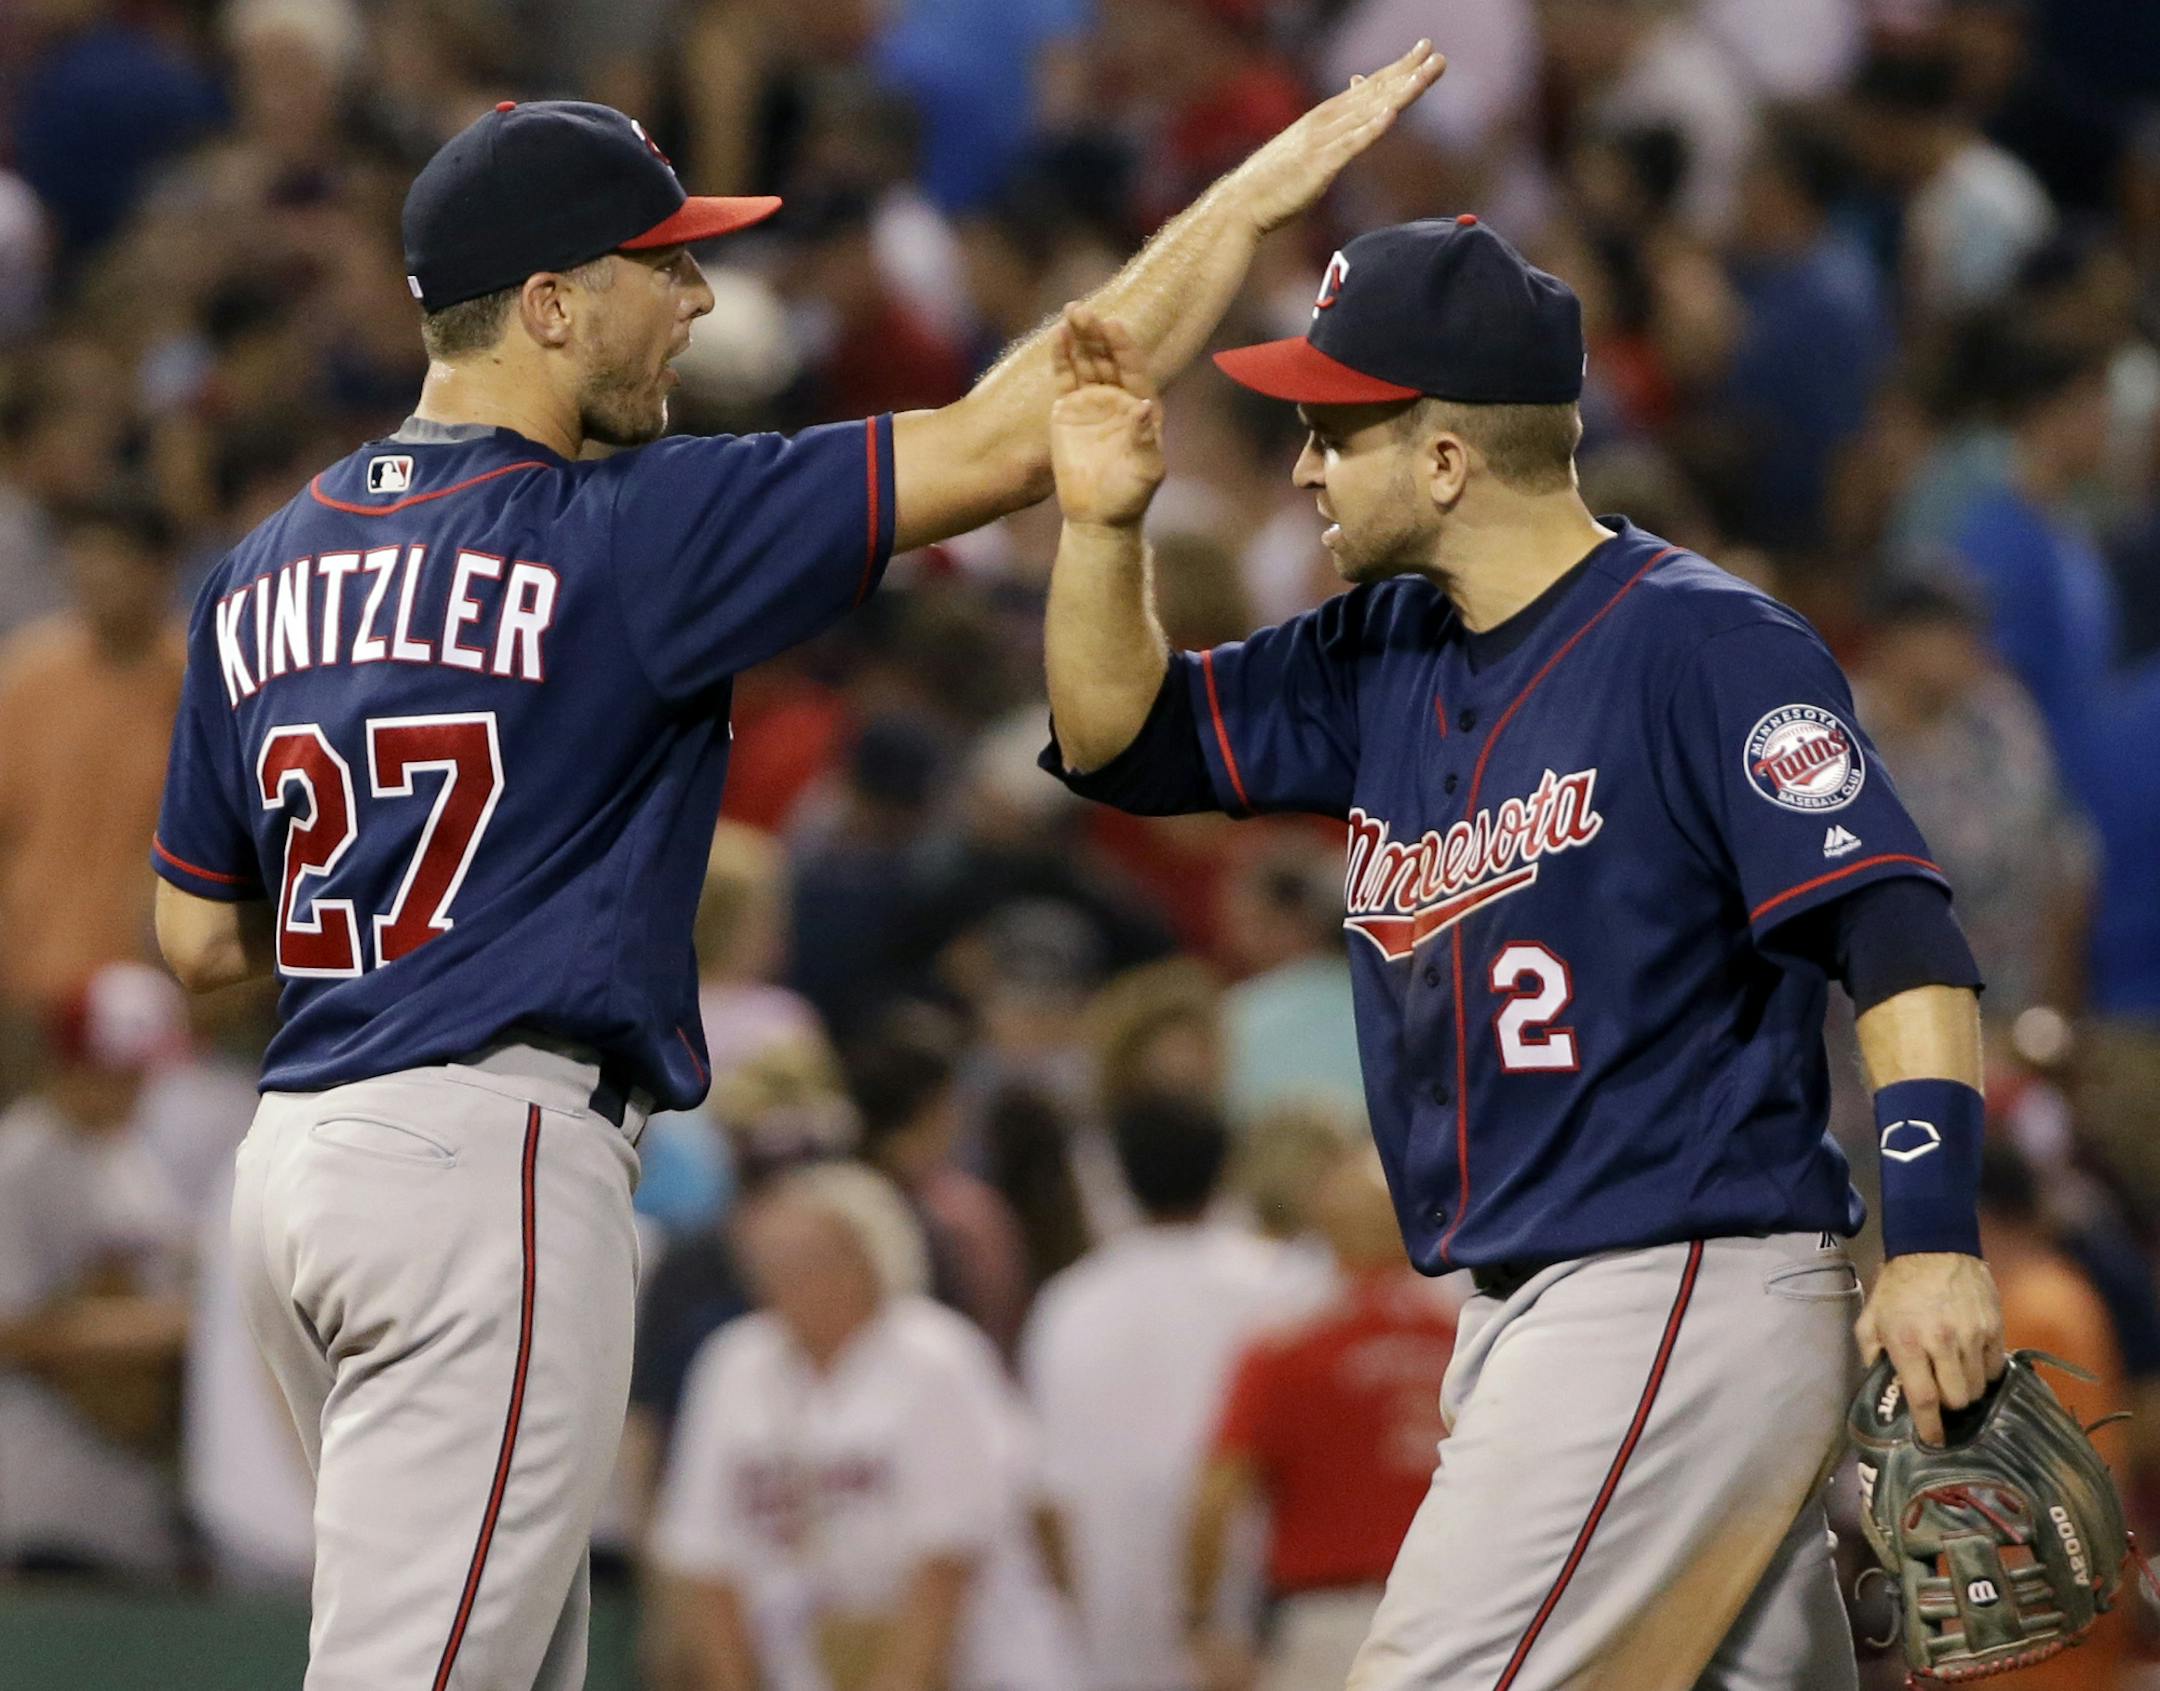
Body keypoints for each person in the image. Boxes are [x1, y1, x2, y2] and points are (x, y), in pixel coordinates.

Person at [146, 53, 1446, 1690]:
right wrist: (1252, 201)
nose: (696, 296)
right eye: (661, 263)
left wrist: (423, 905)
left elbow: (195, 938)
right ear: (546, 305)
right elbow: (1007, 433)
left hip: (295, 1168)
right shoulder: (625, 521)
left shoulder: (262, 565)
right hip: (475, 1162)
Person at [1036, 215, 2005, 1689]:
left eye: (1331, 429)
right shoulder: (1381, 652)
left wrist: (1933, 1240)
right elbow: (1124, 738)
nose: (1301, 466)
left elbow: (1899, 933)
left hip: (1671, 1281)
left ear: (1442, 457)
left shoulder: (1704, 646)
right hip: (1540, 1313)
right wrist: (1104, 530)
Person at [647, 1162, 1077, 1691]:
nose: (786, 1280)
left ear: (870, 1259)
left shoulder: (935, 1356)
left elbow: (947, 1565)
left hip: (964, 1666)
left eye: (810, 1261)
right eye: (771, 1262)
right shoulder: (735, 1362)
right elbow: (706, 1564)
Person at [1020, 1092, 1304, 1691]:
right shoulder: (1286, 1286)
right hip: (1258, 1618)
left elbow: (1047, 1500)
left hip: (1121, 1625)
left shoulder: (1069, 1305)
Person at [1186, 1146, 1458, 1691]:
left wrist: (1199, 1623)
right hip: (1451, 1620)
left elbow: (1218, 1496)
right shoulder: (1469, 1341)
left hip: (1321, 1627)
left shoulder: (1286, 1349)